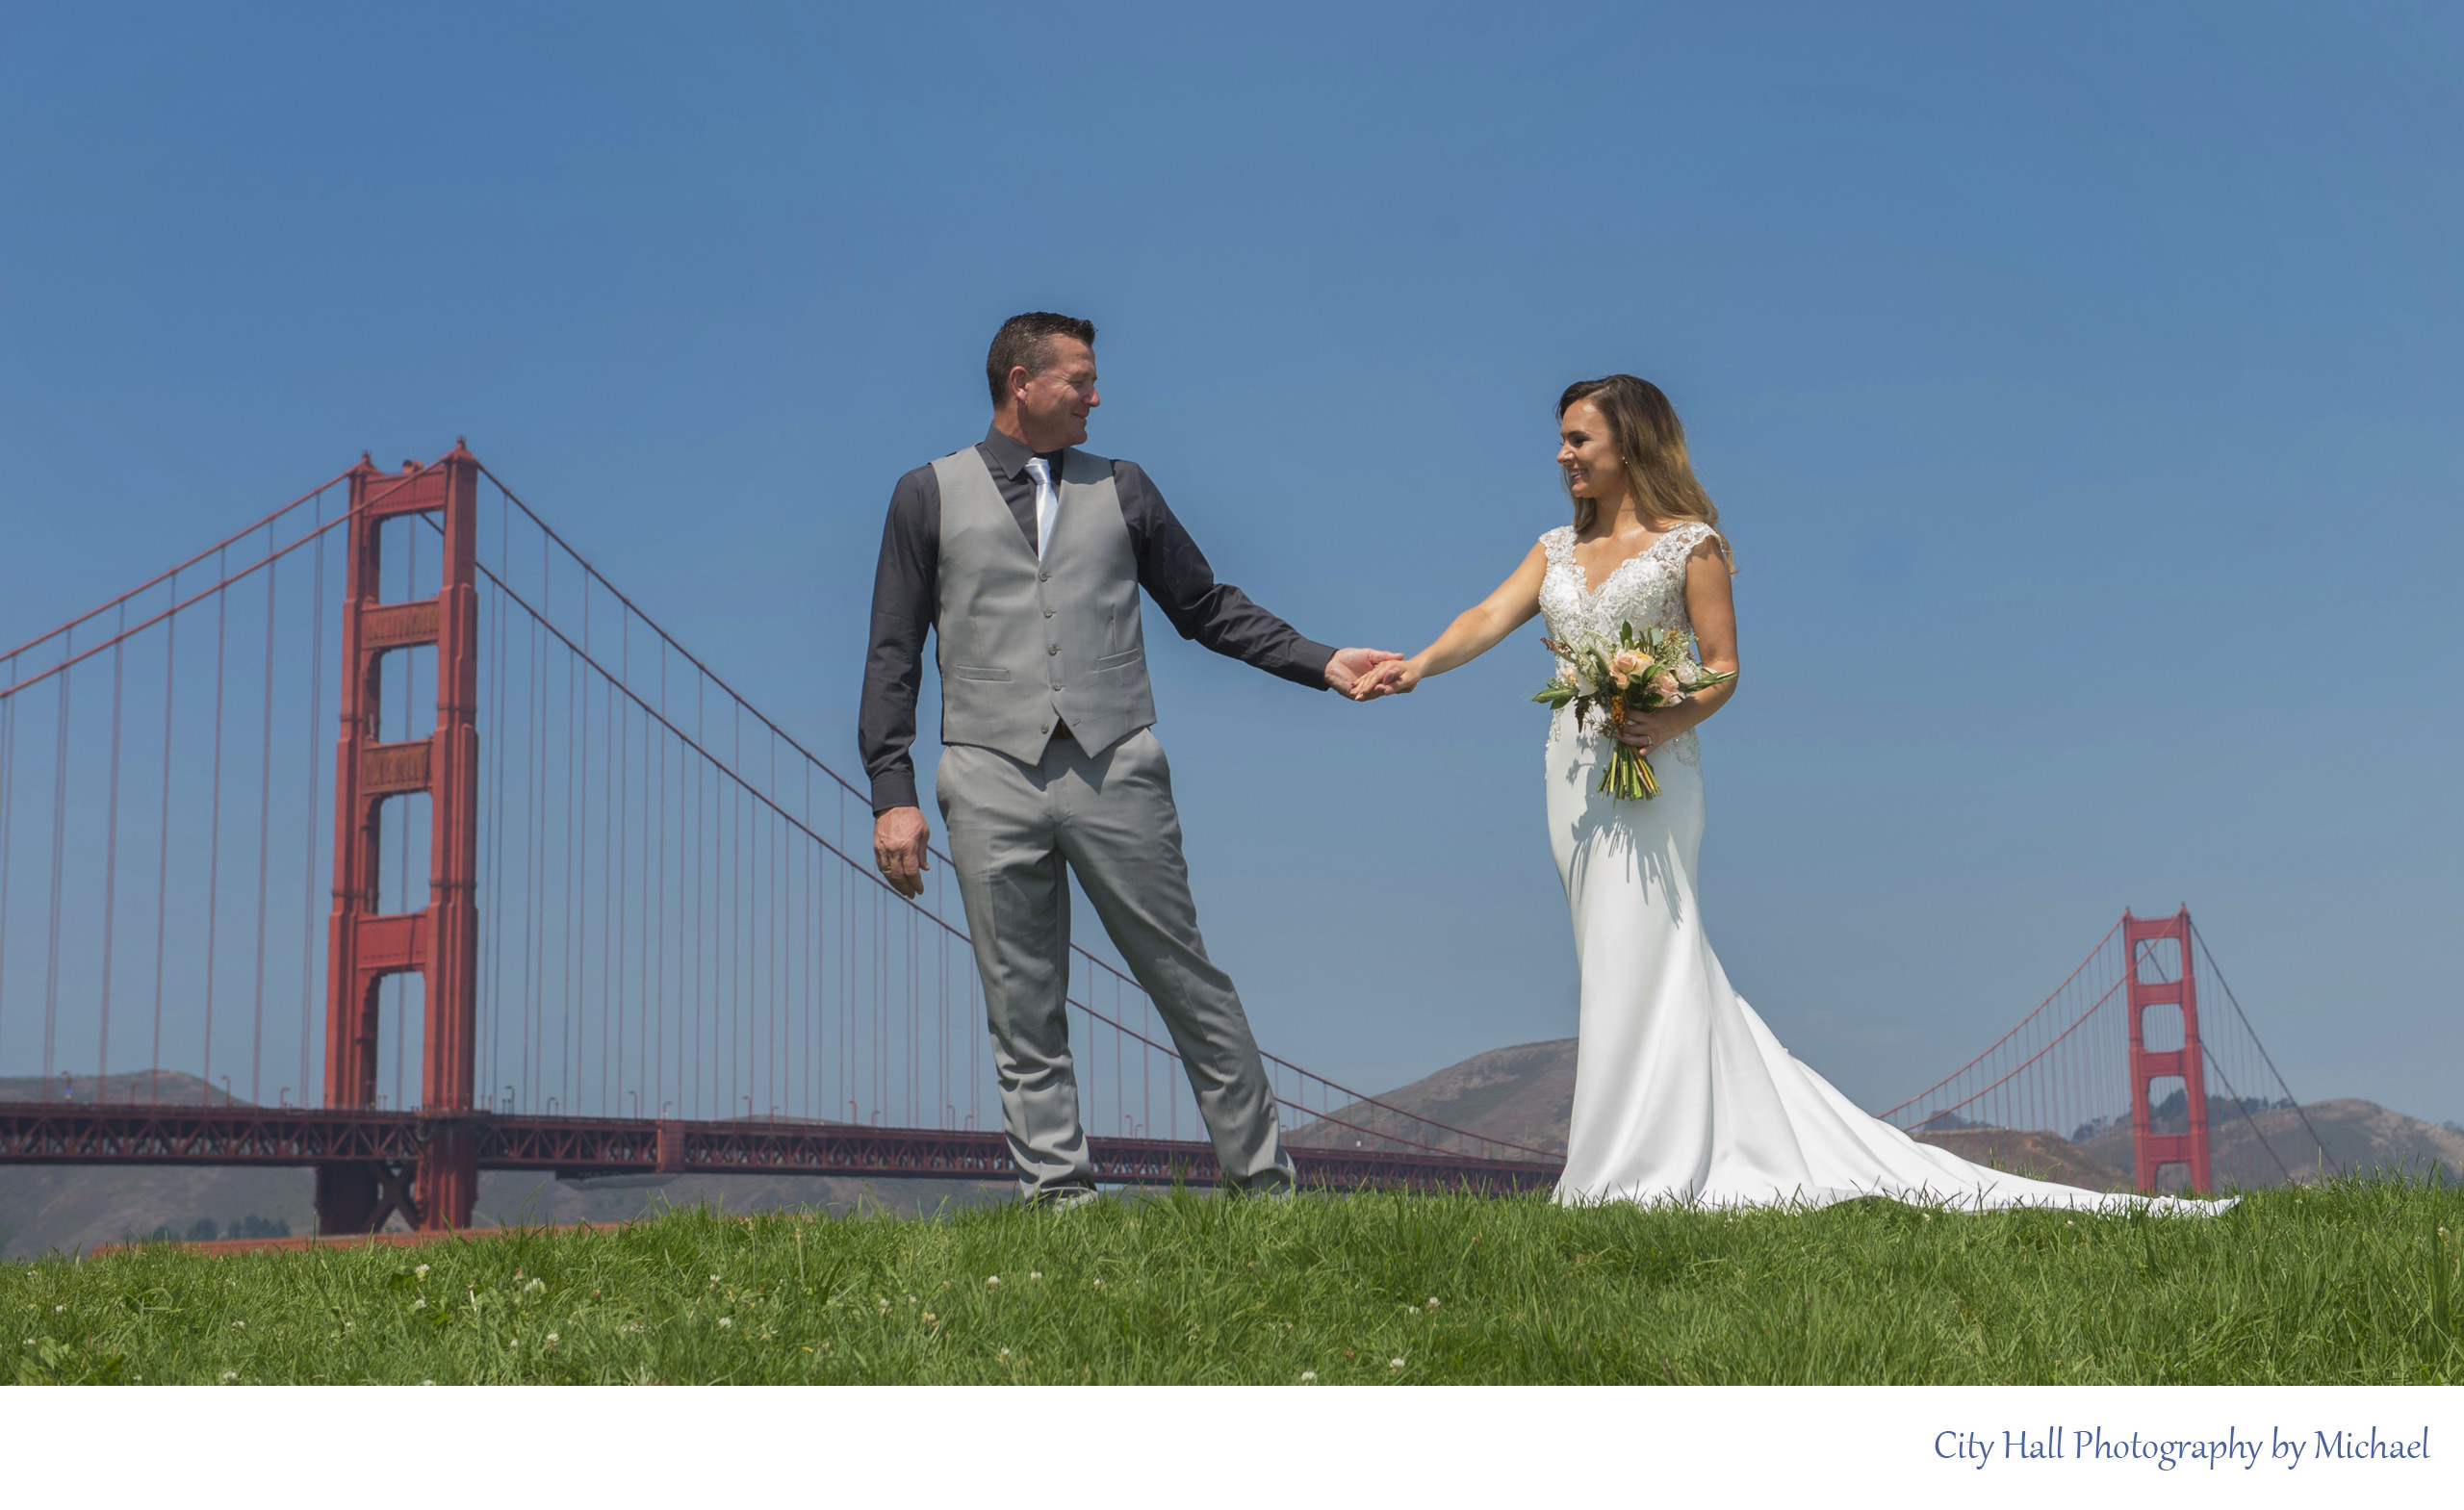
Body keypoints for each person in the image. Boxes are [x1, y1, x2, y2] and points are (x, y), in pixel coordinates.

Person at [1357, 374, 2227, 1214]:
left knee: (1649, 950)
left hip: (1655, 773)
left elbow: (1724, 669)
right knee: (1610, 960)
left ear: (1629, 444)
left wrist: (1664, 719)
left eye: (1577, 438)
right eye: (1561, 440)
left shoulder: (1690, 545)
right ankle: (1633, 1152)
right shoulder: (1555, 549)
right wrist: (1417, 666)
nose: (1560, 455)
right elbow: (1487, 615)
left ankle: (1634, 1167)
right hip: (1574, 777)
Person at [860, 312, 1399, 1206]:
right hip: (986, 774)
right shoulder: (926, 493)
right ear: (1021, 382)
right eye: (1080, 380)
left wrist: (1320, 660)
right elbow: (892, 654)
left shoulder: (1126, 486)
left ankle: (1265, 1189)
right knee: (1020, 1003)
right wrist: (893, 791)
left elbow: (1207, 607)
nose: (1097, 397)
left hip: (1118, 766)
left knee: (1188, 980)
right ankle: (1060, 1203)